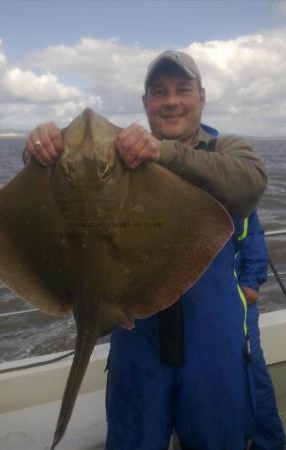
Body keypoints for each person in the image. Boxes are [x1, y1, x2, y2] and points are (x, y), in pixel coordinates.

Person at [24, 50, 269, 450]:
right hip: (136, 336)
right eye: (159, 92)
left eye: (182, 89)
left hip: (212, 340)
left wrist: (163, 152)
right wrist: (41, 154)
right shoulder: (119, 154)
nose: (171, 100)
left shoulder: (227, 148)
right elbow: (66, 179)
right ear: (145, 104)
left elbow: (250, 184)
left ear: (201, 97)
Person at [235, 211, 286, 450]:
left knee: (254, 376)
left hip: (239, 309)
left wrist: (250, 283)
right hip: (202, 316)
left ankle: (269, 443)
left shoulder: (239, 194)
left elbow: (254, 241)